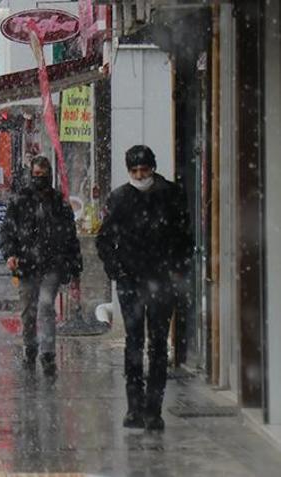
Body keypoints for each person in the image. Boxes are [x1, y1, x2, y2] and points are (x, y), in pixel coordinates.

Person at [96, 145, 192, 431]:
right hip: (131, 280)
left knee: (158, 344)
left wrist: (176, 270)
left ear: (153, 167)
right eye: (135, 171)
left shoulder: (171, 196)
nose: (140, 175)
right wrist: (117, 270)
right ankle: (134, 407)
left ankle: (154, 409)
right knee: (134, 342)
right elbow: (104, 240)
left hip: (162, 280)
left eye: (144, 170)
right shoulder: (120, 198)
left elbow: (185, 238)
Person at [0, 156, 82, 377]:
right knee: (28, 311)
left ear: (49, 175)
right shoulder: (20, 201)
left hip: (52, 264)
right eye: (35, 175)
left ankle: (48, 353)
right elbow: (7, 231)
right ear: (30, 175)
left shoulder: (58, 202)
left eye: (43, 176)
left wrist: (74, 265)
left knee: (46, 305)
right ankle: (30, 347)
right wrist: (10, 253)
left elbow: (70, 235)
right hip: (26, 264)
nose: (39, 180)